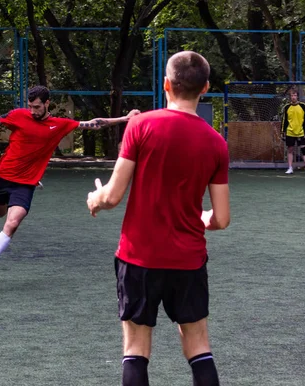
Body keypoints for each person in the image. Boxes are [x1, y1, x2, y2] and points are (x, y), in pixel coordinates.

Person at [86, 51, 230, 386]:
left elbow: (112, 196)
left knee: (136, 348)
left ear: (166, 85)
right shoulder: (216, 143)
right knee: (198, 345)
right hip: (188, 260)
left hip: (139, 258)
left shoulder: (141, 125)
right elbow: (221, 218)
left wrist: (96, 197)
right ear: (205, 88)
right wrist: (203, 217)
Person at [0, 85, 140, 283]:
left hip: (25, 183)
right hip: (4, 176)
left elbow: (95, 123)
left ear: (47, 103)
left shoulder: (59, 125)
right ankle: (17, 196)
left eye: (37, 107)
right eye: (30, 106)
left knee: (12, 223)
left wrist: (124, 118)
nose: (32, 111)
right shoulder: (18, 115)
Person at [281, 89, 305, 174]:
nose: (293, 97)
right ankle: (290, 168)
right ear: (290, 97)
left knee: (304, 149)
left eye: (295, 95)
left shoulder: (303, 106)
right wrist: (282, 131)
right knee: (290, 149)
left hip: (301, 132)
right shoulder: (287, 107)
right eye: (292, 95)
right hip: (290, 132)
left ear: (297, 96)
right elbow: (284, 120)